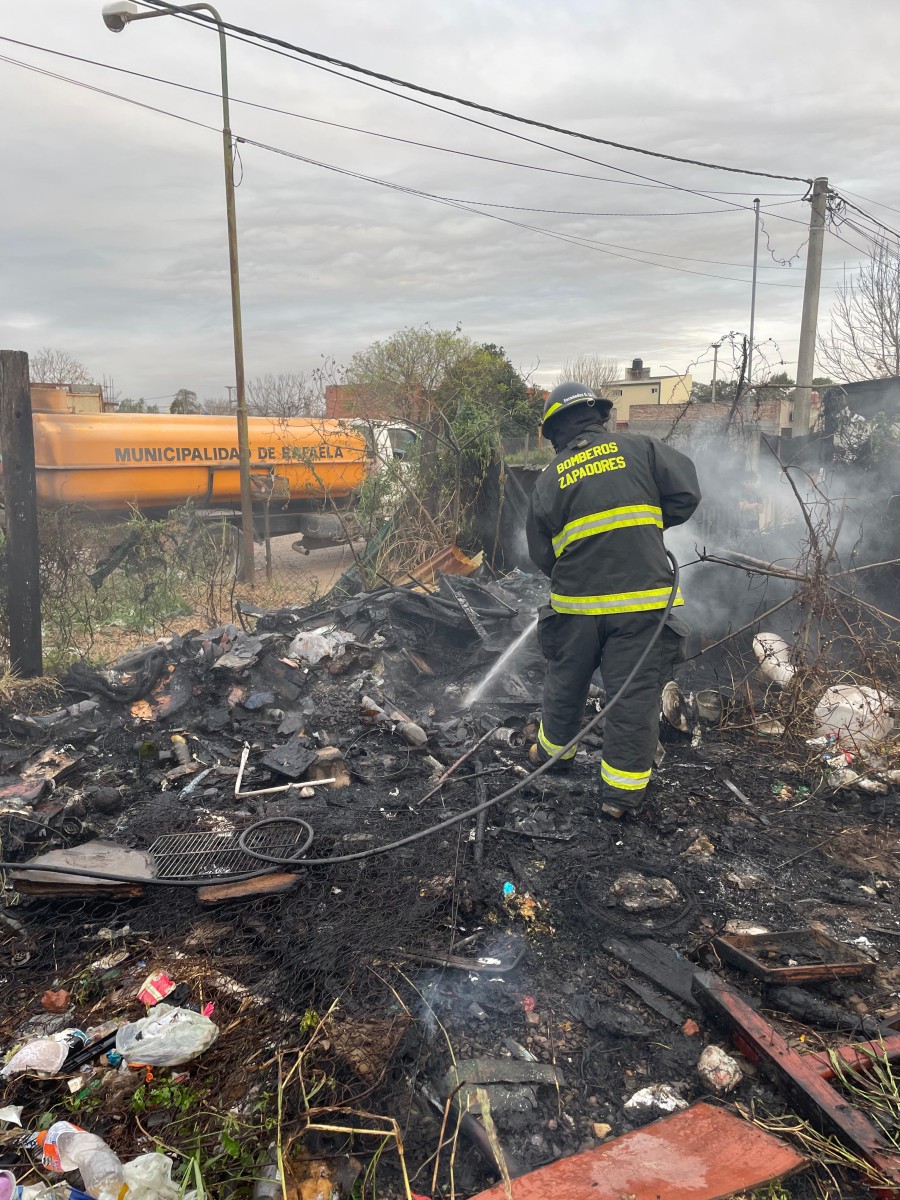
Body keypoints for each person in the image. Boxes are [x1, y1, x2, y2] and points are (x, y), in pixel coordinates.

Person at [525, 381, 701, 818]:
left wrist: (580, 568)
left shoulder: (549, 480)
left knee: (566, 684)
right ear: (598, 415)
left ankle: (553, 757)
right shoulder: (642, 448)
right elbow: (686, 495)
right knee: (633, 697)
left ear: (554, 432)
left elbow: (541, 554)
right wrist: (644, 528)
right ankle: (619, 800)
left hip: (576, 609)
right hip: (642, 605)